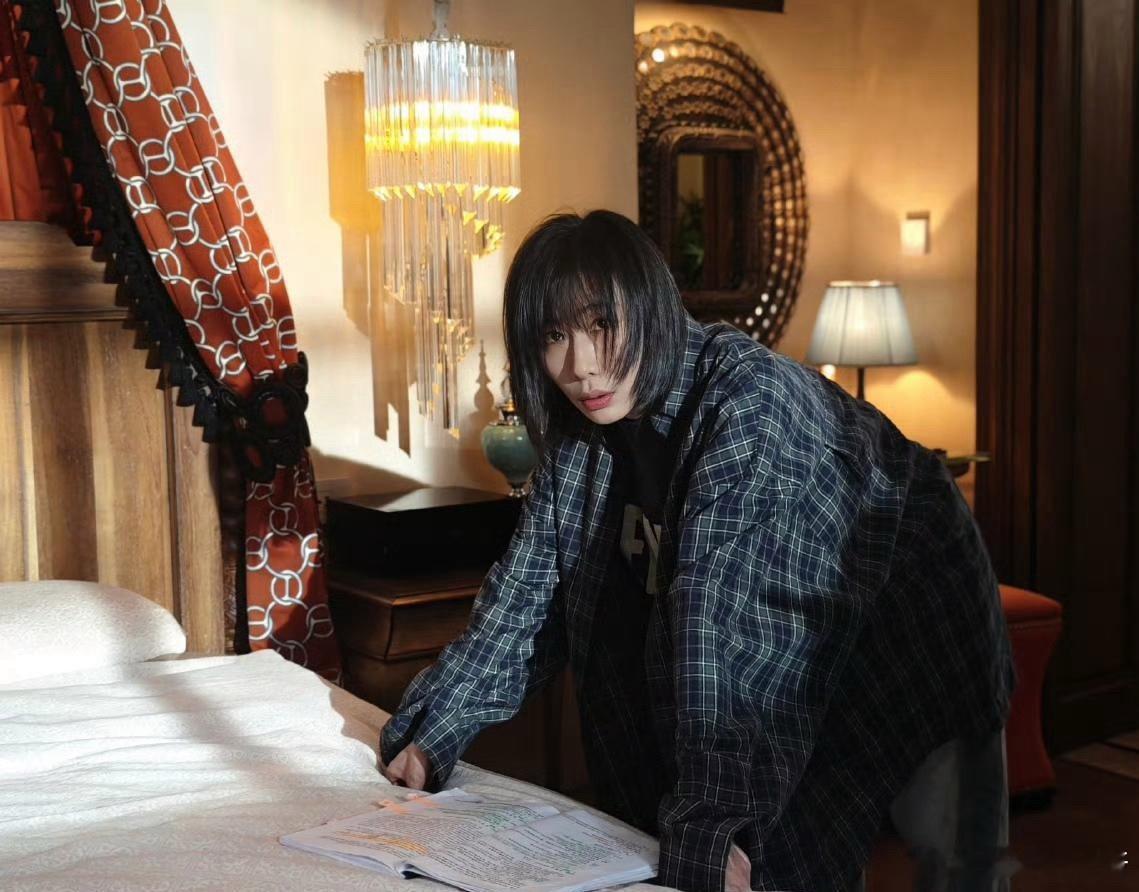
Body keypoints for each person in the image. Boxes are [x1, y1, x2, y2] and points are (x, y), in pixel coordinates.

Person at [378, 210, 1015, 892]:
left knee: (951, 859)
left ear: (652, 304)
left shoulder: (749, 403)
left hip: (914, 621)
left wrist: (712, 820)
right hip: (789, 649)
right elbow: (529, 592)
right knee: (779, 851)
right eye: (553, 335)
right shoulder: (582, 433)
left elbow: (730, 621)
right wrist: (434, 731)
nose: (581, 365)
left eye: (602, 324)